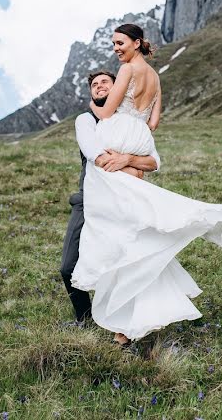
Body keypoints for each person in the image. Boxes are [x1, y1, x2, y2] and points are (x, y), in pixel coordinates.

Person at [71, 23, 222, 347]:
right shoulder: (156, 76)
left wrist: (95, 109)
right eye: (114, 44)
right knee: (135, 229)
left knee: (114, 229)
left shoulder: (127, 70)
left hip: (118, 131)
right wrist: (134, 146)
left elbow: (106, 112)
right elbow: (153, 122)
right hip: (140, 136)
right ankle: (131, 322)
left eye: (120, 43)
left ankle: (125, 318)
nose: (116, 48)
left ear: (136, 43)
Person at [60, 70, 161, 326]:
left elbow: (154, 162)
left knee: (128, 264)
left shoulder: (130, 123)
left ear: (117, 88)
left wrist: (128, 159)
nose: (99, 86)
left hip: (125, 204)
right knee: (68, 267)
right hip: (89, 201)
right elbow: (97, 155)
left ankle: (127, 321)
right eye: (94, 85)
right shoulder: (86, 120)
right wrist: (133, 169)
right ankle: (85, 319)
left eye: (105, 82)